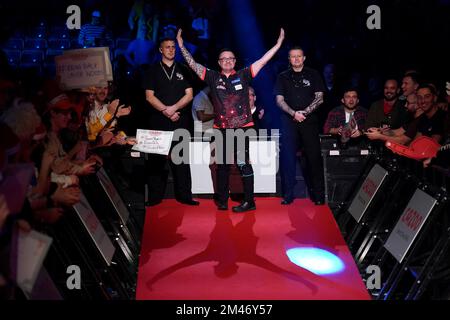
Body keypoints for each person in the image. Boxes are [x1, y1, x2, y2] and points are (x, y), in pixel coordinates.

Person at [177, 28, 285, 212]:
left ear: (234, 61)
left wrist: (278, 44)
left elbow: (263, 60)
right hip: (221, 128)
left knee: (243, 163)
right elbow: (193, 64)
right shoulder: (212, 76)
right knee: (223, 166)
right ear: (219, 62)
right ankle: (222, 199)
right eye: (224, 58)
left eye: (230, 58)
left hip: (243, 127)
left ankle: (249, 201)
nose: (227, 61)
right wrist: (181, 45)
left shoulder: (244, 74)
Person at [143, 37, 198, 207]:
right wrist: (166, 111)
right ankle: (155, 197)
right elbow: (149, 97)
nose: (171, 50)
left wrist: (174, 108)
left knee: (181, 160)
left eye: (173, 47)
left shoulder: (184, 69)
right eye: (167, 47)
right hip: (158, 121)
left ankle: (184, 196)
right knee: (156, 161)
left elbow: (189, 94)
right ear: (161, 50)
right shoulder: (152, 70)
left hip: (180, 120)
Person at [275, 46, 325, 205]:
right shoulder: (282, 76)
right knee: (288, 158)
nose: (296, 59)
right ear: (289, 59)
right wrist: (294, 113)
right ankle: (288, 194)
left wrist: (304, 112)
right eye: (292, 57)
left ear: (304, 58)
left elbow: (320, 98)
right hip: (289, 122)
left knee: (314, 158)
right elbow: (279, 100)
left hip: (309, 122)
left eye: (299, 56)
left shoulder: (314, 74)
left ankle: (318, 194)